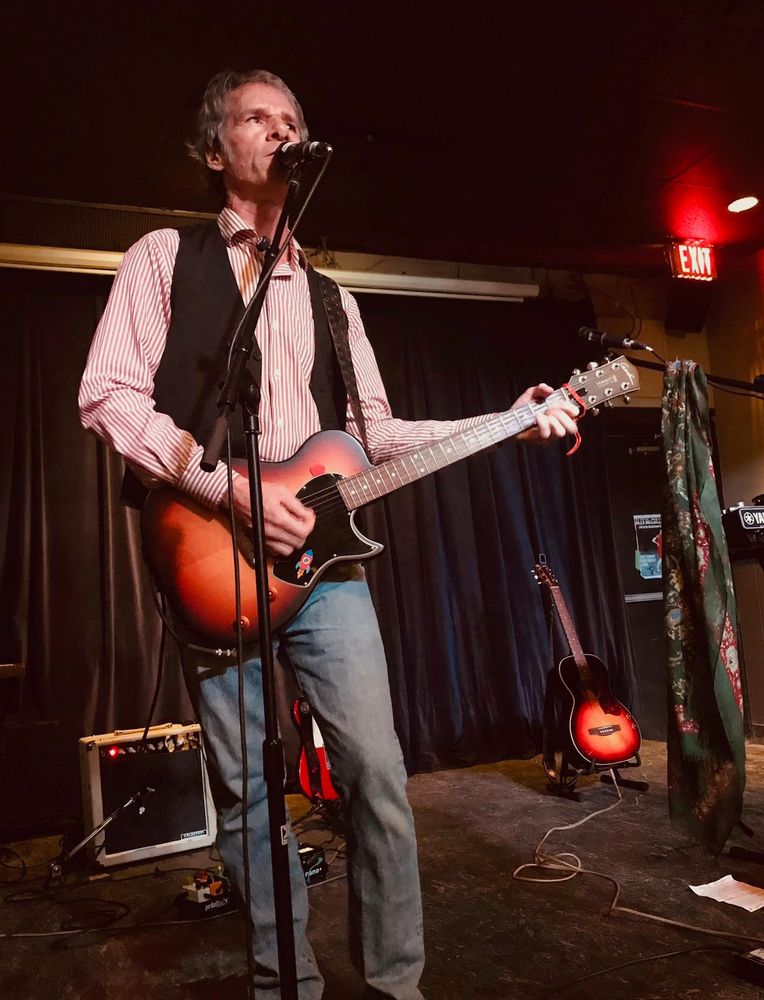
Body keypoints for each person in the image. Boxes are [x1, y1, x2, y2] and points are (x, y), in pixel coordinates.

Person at [79, 68, 579, 1000]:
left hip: (326, 573)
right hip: (209, 561)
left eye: (292, 121)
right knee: (250, 797)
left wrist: (506, 418)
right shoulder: (160, 256)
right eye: (256, 119)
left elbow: (375, 433)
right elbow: (105, 396)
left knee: (378, 776)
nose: (280, 131)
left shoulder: (334, 301)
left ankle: (397, 986)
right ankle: (287, 988)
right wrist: (224, 487)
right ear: (213, 149)